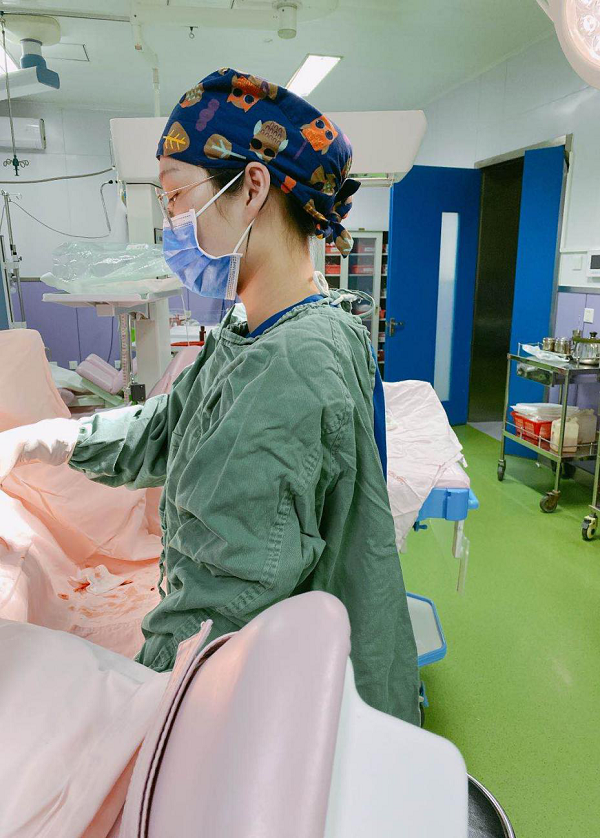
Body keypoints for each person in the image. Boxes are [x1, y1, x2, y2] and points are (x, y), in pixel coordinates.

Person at [0, 69, 419, 725]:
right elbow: (169, 426)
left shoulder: (294, 364)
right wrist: (50, 438)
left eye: (175, 196)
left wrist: (138, 707)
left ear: (251, 186)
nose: (170, 222)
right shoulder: (258, 330)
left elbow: (218, 607)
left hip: (282, 703)